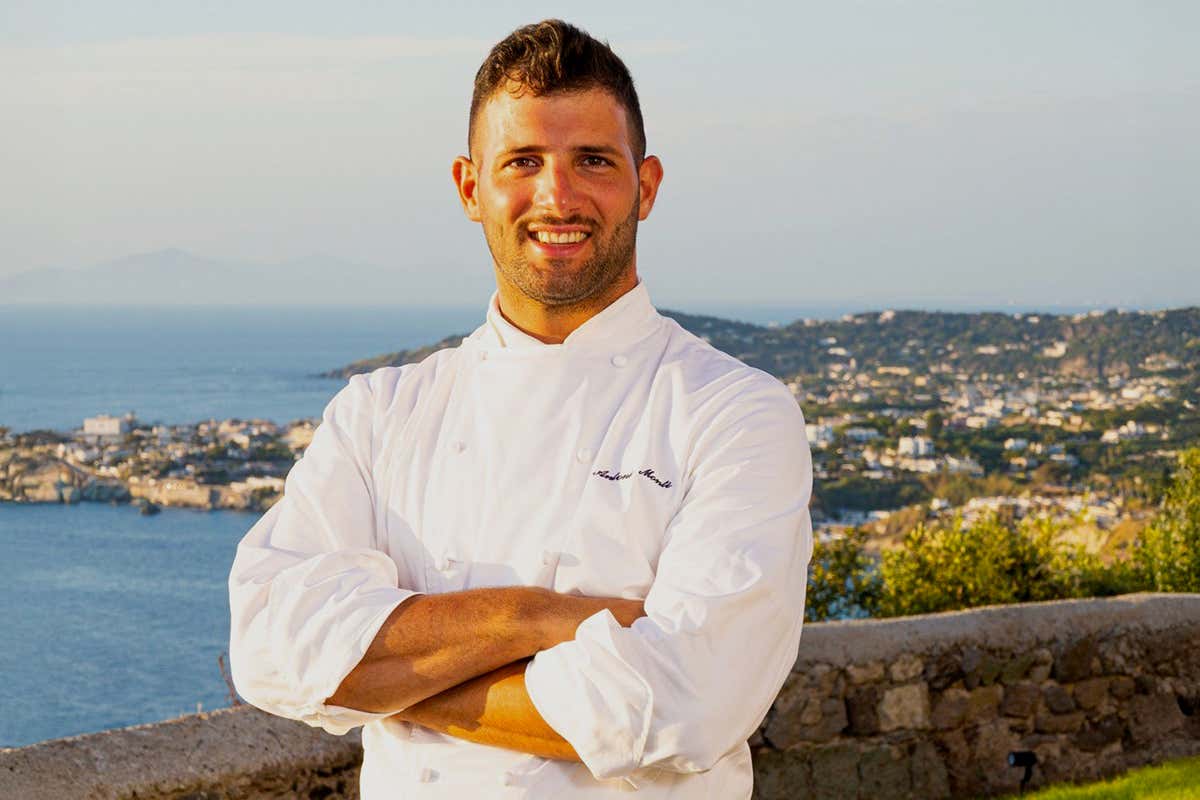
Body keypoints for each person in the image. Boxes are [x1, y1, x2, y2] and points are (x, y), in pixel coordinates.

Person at [228, 18, 813, 799]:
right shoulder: (381, 411)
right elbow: (267, 645)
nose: (557, 195)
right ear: (472, 188)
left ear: (646, 185)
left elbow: (690, 703)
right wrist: (532, 618)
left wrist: (379, 682)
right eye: (523, 161)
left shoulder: (734, 413)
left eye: (594, 161)